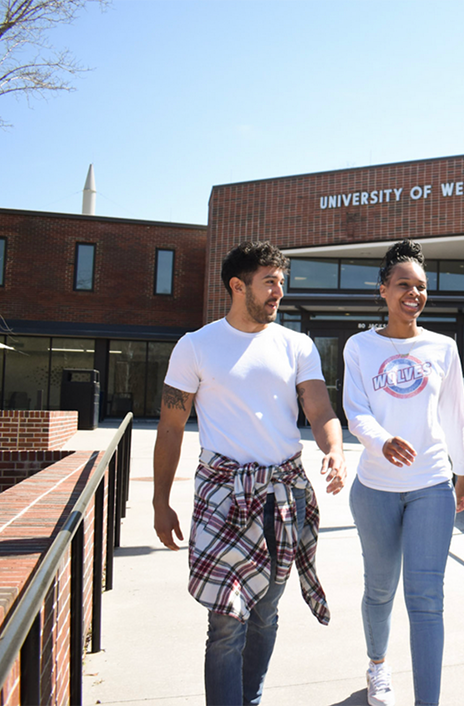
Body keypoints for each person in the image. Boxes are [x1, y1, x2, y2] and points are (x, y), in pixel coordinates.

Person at [152, 240, 346, 706]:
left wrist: (334, 449)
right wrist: (161, 500)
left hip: (283, 494)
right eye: (270, 282)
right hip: (222, 494)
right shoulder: (195, 346)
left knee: (263, 614)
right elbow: (171, 425)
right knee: (225, 621)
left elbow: (320, 410)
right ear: (238, 286)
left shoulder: (296, 345)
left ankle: (250, 698)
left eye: (282, 281)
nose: (279, 291)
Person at [342, 239, 464, 706]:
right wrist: (381, 440)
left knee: (427, 599)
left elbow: (455, 414)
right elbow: (354, 410)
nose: (413, 293)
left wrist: (462, 472)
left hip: (431, 485)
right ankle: (378, 665)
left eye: (421, 286)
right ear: (383, 290)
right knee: (379, 589)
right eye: (403, 285)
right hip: (375, 487)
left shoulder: (443, 347)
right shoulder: (360, 346)